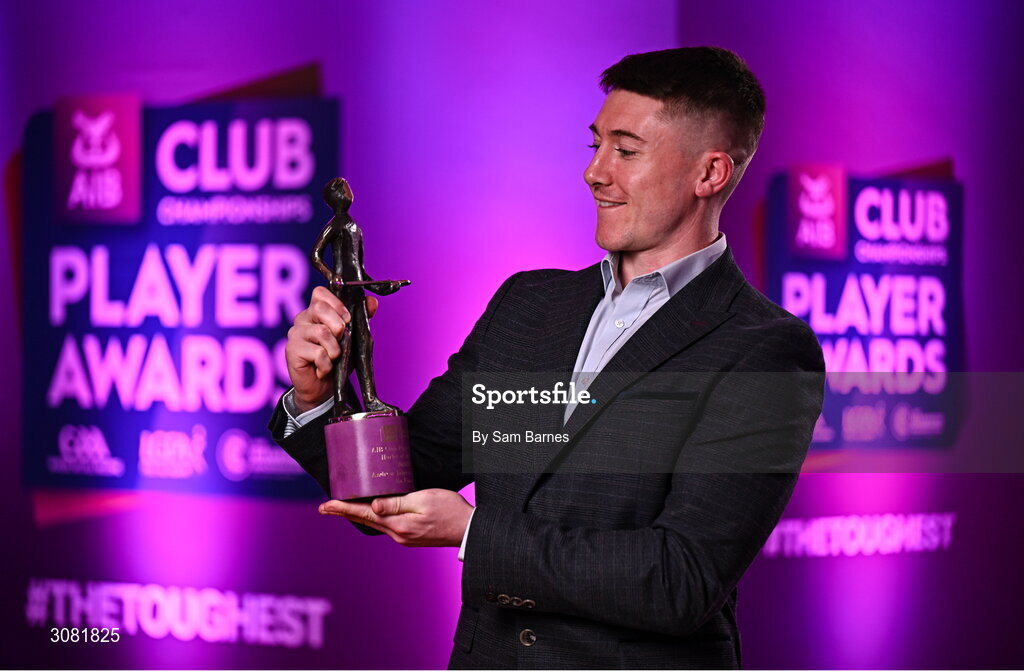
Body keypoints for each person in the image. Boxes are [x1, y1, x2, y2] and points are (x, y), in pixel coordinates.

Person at [269, 46, 825, 669]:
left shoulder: (764, 349)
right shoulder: (529, 304)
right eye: (595, 145)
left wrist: (475, 535)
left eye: (626, 150)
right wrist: (319, 400)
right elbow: (409, 480)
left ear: (710, 174)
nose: (595, 172)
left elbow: (681, 578)